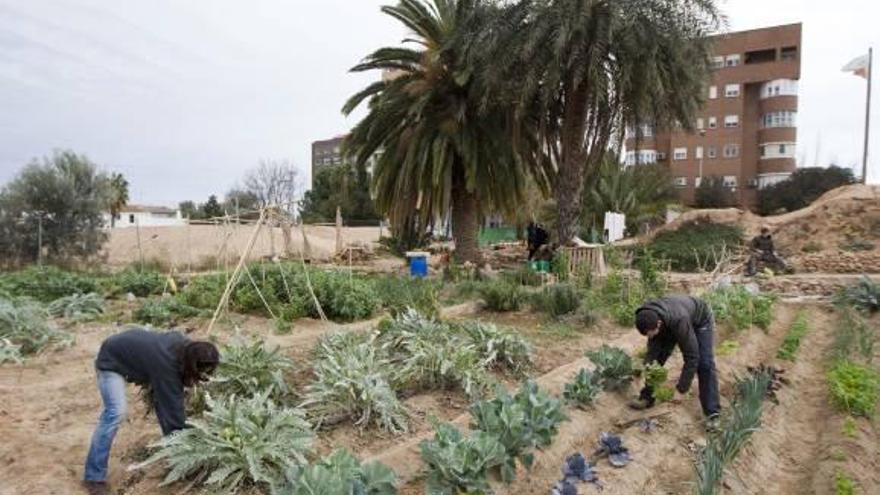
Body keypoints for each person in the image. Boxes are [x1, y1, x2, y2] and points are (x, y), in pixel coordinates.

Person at [83, 328, 219, 495]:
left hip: (131, 349)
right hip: (111, 359)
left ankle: (173, 452)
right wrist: (185, 448)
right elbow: (173, 413)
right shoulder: (166, 366)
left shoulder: (185, 346)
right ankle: (94, 477)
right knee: (115, 412)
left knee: (164, 400)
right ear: (190, 363)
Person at [629, 295, 720, 431]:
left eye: (652, 334)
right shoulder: (649, 316)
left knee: (704, 363)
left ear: (658, 324)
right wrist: (644, 368)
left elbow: (692, 357)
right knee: (654, 363)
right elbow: (652, 353)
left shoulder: (679, 321)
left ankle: (713, 414)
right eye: (648, 335)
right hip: (671, 321)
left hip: (700, 320)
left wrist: (681, 389)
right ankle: (647, 397)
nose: (650, 338)